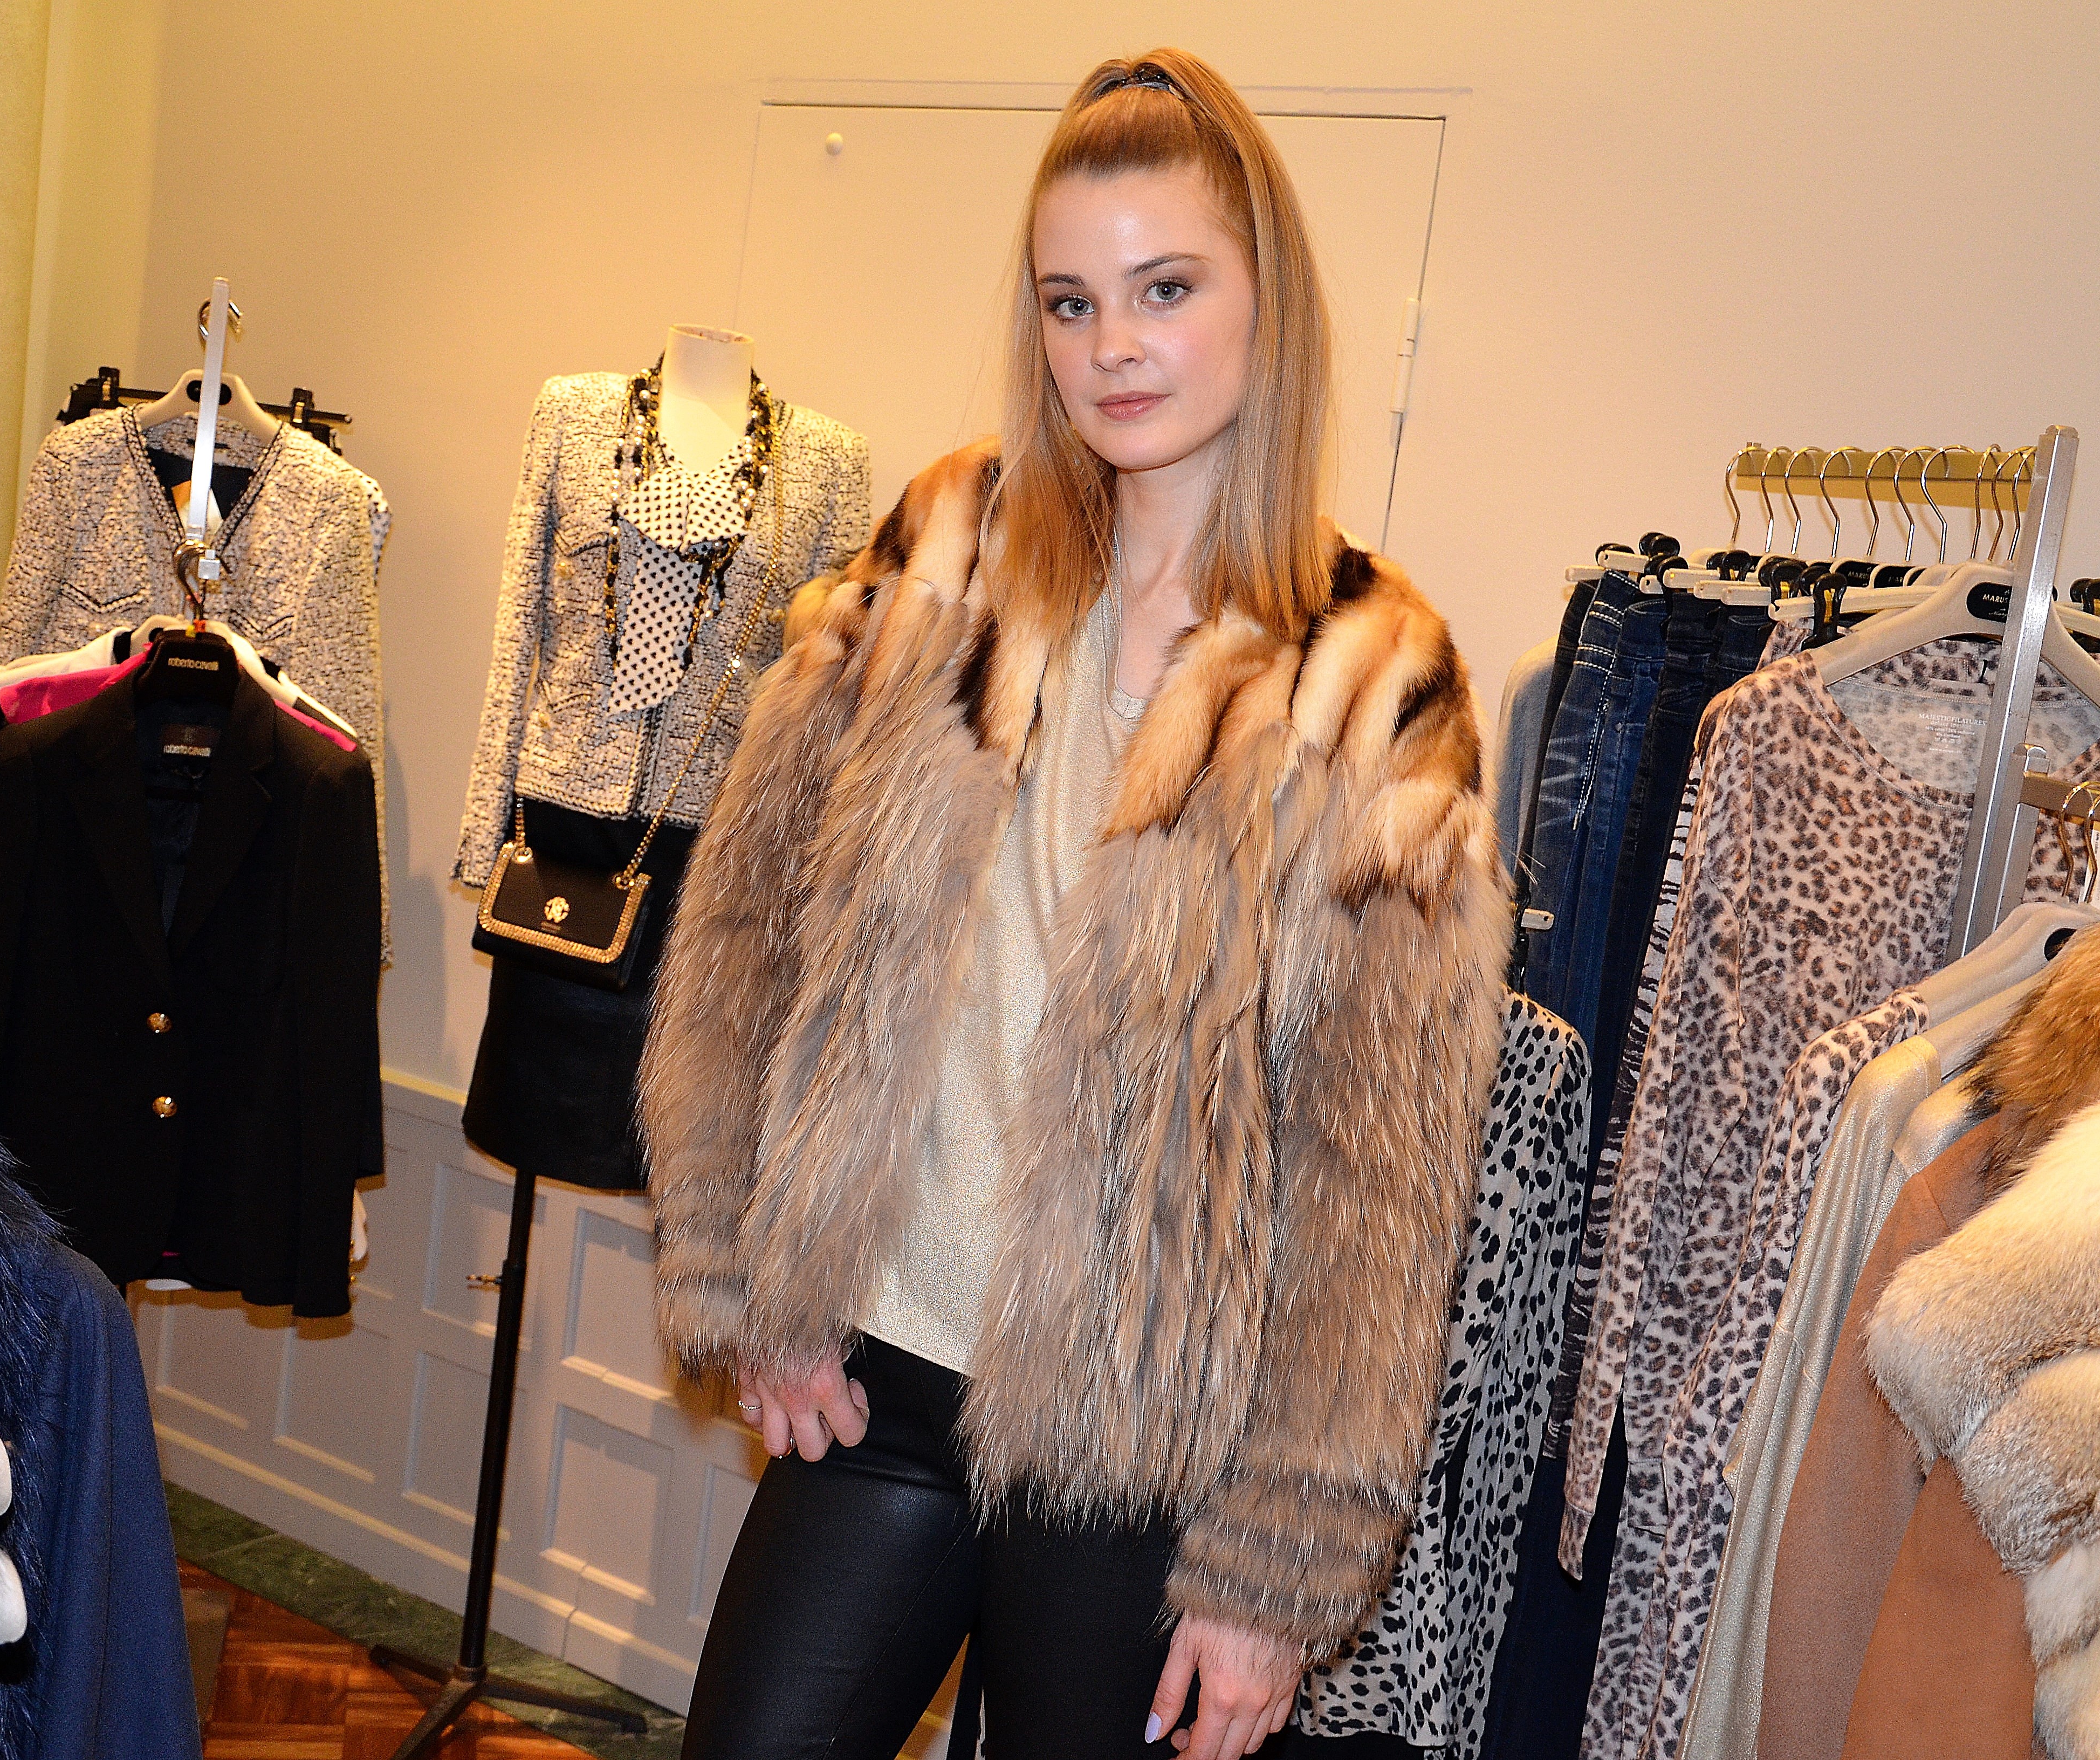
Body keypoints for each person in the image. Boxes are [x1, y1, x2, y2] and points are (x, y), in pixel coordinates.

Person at [643, 47, 1510, 1760]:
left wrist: (1275, 1570)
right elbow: (744, 917)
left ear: (1266, 304)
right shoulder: (946, 544)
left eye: (1164, 288)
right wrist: (739, 1271)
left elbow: (1380, 1182)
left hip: (1142, 1456)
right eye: (1070, 301)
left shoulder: (1374, 673)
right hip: (874, 1376)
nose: (1112, 344)